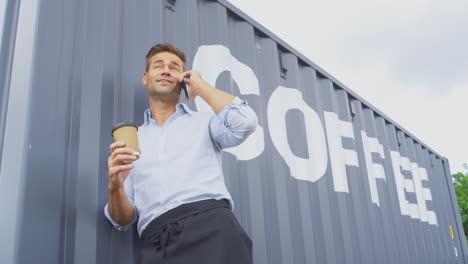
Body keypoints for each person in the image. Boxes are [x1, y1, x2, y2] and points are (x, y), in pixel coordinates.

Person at [104, 43, 257, 264]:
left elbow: (245, 122)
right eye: (159, 66)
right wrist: (115, 185)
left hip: (212, 229)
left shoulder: (206, 122)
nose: (166, 70)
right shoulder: (132, 142)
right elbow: (122, 219)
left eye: (174, 67)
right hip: (156, 244)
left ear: (183, 79)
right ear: (145, 78)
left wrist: (201, 86)